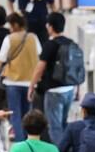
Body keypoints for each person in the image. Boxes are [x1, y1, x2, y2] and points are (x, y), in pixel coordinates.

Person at [31, 13, 80, 144]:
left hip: (53, 91)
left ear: (50, 27)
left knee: (54, 127)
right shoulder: (71, 43)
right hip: (69, 89)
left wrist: (31, 87)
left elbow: (39, 68)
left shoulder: (50, 45)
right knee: (64, 124)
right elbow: (76, 68)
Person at [0, 13, 42, 139]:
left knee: (15, 115)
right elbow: (39, 54)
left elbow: (1, 58)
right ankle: (28, 140)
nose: (9, 28)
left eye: (10, 25)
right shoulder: (33, 38)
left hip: (13, 82)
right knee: (27, 115)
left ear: (15, 24)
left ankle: (20, 143)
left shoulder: (9, 39)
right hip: (30, 82)